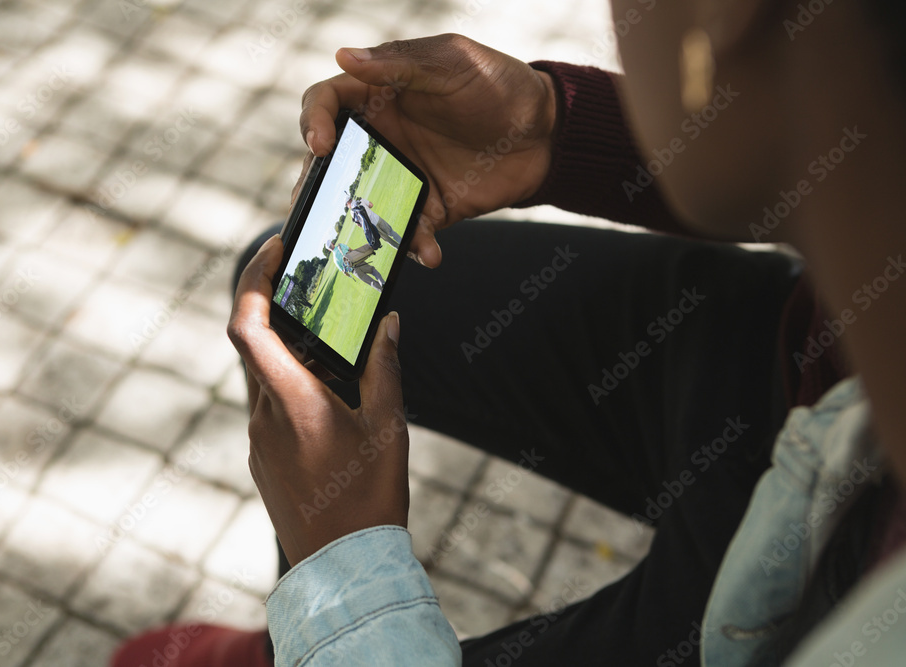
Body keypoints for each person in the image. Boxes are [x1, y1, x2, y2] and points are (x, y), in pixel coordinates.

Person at [111, 0, 906, 664]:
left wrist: (346, 588)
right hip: (799, 361)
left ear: (726, 12)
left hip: (793, 574)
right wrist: (548, 129)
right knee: (298, 307)